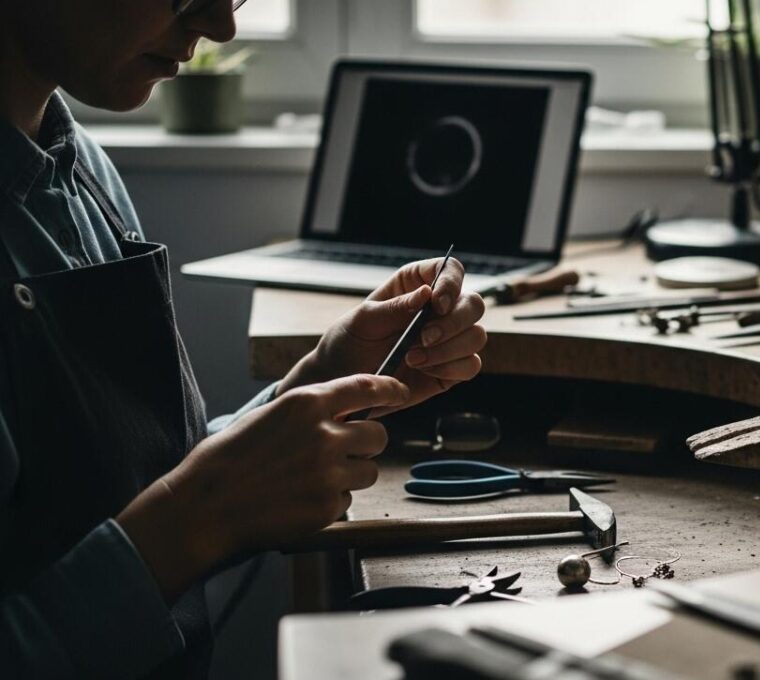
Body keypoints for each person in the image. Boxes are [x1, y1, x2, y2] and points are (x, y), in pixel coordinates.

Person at [0, 0, 488, 677]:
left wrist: (320, 377)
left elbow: (147, 482)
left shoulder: (80, 169)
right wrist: (200, 518)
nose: (219, 25)